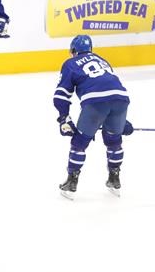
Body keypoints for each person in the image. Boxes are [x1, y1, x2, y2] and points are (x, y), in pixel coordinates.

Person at [54, 35, 129, 199]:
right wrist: (123, 120)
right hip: (121, 99)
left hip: (95, 102)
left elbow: (61, 95)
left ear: (73, 50)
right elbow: (111, 86)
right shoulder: (103, 60)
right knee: (114, 140)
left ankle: (71, 182)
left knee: (80, 142)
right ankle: (114, 178)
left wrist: (64, 117)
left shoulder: (70, 63)